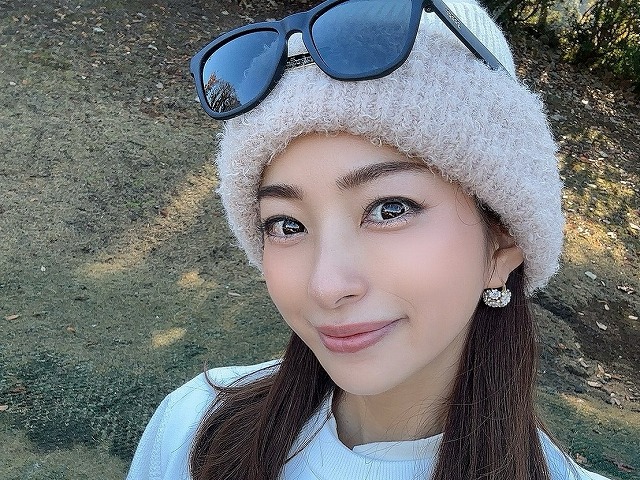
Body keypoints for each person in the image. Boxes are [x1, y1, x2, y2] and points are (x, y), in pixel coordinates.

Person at [127, 0, 611, 479]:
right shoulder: (192, 430)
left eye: (389, 209)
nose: (327, 286)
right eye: (287, 225)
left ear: (502, 246)